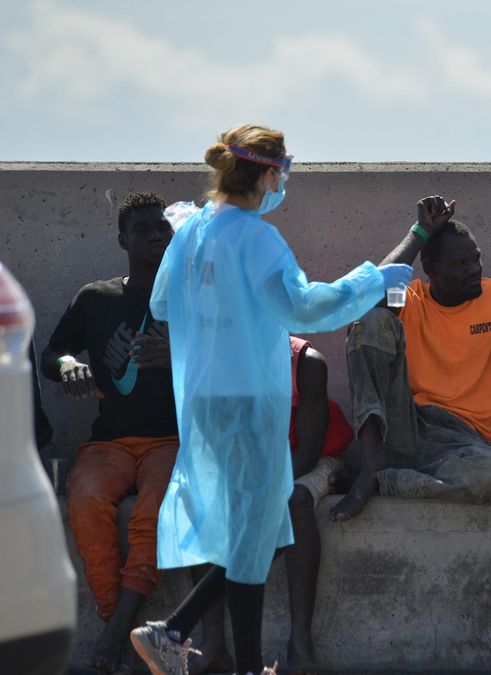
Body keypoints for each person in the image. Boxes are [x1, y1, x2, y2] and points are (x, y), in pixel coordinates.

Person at [128, 124, 410, 675]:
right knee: (254, 533)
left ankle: (230, 657)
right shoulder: (256, 238)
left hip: (204, 402)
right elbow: (305, 310)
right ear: (268, 172)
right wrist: (373, 282)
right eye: (286, 169)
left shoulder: (194, 231)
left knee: (251, 536)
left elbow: (163, 304)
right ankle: (174, 631)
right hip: (248, 402)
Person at [331, 198, 491, 521]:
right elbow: (370, 298)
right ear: (431, 269)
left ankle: (386, 481)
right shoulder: (409, 297)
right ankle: (370, 466)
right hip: (407, 425)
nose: (475, 270)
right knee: (369, 321)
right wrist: (420, 232)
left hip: (466, 445)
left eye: (476, 259)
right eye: (461, 264)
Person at [41, 191, 178, 675]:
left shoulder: (190, 296)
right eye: (144, 229)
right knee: (85, 500)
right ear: (123, 239)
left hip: (173, 441)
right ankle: (115, 624)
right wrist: (70, 364)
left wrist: (178, 358)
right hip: (110, 442)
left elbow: (226, 362)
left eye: (163, 227)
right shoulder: (96, 298)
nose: (157, 235)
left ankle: (114, 635)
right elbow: (51, 357)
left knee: (153, 514)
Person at [189, 337, 353, 675]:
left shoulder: (306, 363)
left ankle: (300, 645)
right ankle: (214, 645)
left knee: (295, 500)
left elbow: (307, 453)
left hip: (315, 456)